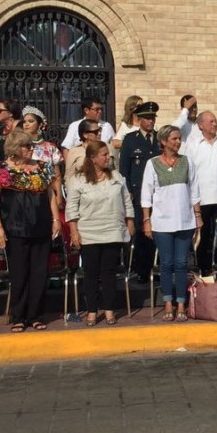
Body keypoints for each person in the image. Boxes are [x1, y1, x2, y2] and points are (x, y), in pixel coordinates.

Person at [0, 130, 61, 332]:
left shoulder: (42, 167)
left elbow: (50, 194)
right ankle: (18, 316)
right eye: (26, 146)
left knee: (39, 273)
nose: (31, 149)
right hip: (15, 228)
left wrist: (56, 219)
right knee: (19, 273)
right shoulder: (1, 169)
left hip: (41, 226)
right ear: (15, 148)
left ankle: (35, 315)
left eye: (31, 146)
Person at [66, 140, 135, 326]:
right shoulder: (78, 180)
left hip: (113, 230)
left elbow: (126, 200)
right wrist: (74, 232)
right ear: (92, 158)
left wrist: (130, 221)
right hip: (88, 232)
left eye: (108, 154)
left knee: (109, 272)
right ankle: (92, 310)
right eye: (104, 155)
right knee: (91, 273)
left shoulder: (116, 176)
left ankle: (109, 309)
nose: (108, 158)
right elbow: (71, 207)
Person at [141, 125, 201, 322]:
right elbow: (146, 194)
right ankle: (168, 302)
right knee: (166, 263)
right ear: (163, 141)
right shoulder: (152, 164)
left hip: (185, 221)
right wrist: (147, 220)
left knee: (182, 263)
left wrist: (198, 215)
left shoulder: (187, 161)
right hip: (161, 222)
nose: (178, 142)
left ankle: (181, 303)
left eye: (179, 138)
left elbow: (194, 190)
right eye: (174, 139)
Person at [181, 111, 217, 276]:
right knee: (203, 237)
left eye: (215, 121)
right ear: (200, 125)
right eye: (211, 121)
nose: (214, 124)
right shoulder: (192, 146)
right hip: (201, 200)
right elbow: (187, 173)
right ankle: (204, 270)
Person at [119, 102, 160, 280]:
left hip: (158, 194)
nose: (150, 121)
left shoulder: (160, 138)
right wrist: (127, 190)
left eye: (152, 118)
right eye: (147, 118)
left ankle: (156, 268)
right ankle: (141, 270)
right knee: (141, 232)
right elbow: (124, 170)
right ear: (139, 119)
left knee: (157, 231)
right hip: (137, 193)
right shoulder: (130, 139)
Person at [20, 106, 63, 172]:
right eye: (24, 122)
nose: (26, 124)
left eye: (30, 121)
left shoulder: (51, 147)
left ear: (40, 125)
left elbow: (57, 174)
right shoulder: (19, 146)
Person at [63, 119, 104, 187]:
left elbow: (115, 170)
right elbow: (69, 176)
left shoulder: (107, 148)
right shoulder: (75, 151)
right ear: (85, 135)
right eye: (96, 132)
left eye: (100, 130)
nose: (99, 133)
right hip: (83, 189)